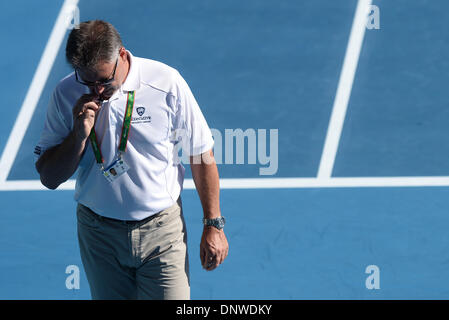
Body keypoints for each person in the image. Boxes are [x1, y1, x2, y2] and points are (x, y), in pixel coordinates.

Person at [34, 20, 228, 300]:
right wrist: (78, 137)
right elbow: (49, 178)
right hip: (99, 238)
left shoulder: (166, 82)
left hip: (161, 233)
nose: (96, 91)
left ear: (122, 56)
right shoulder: (66, 93)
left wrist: (214, 224)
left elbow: (201, 153)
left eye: (103, 81)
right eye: (87, 81)